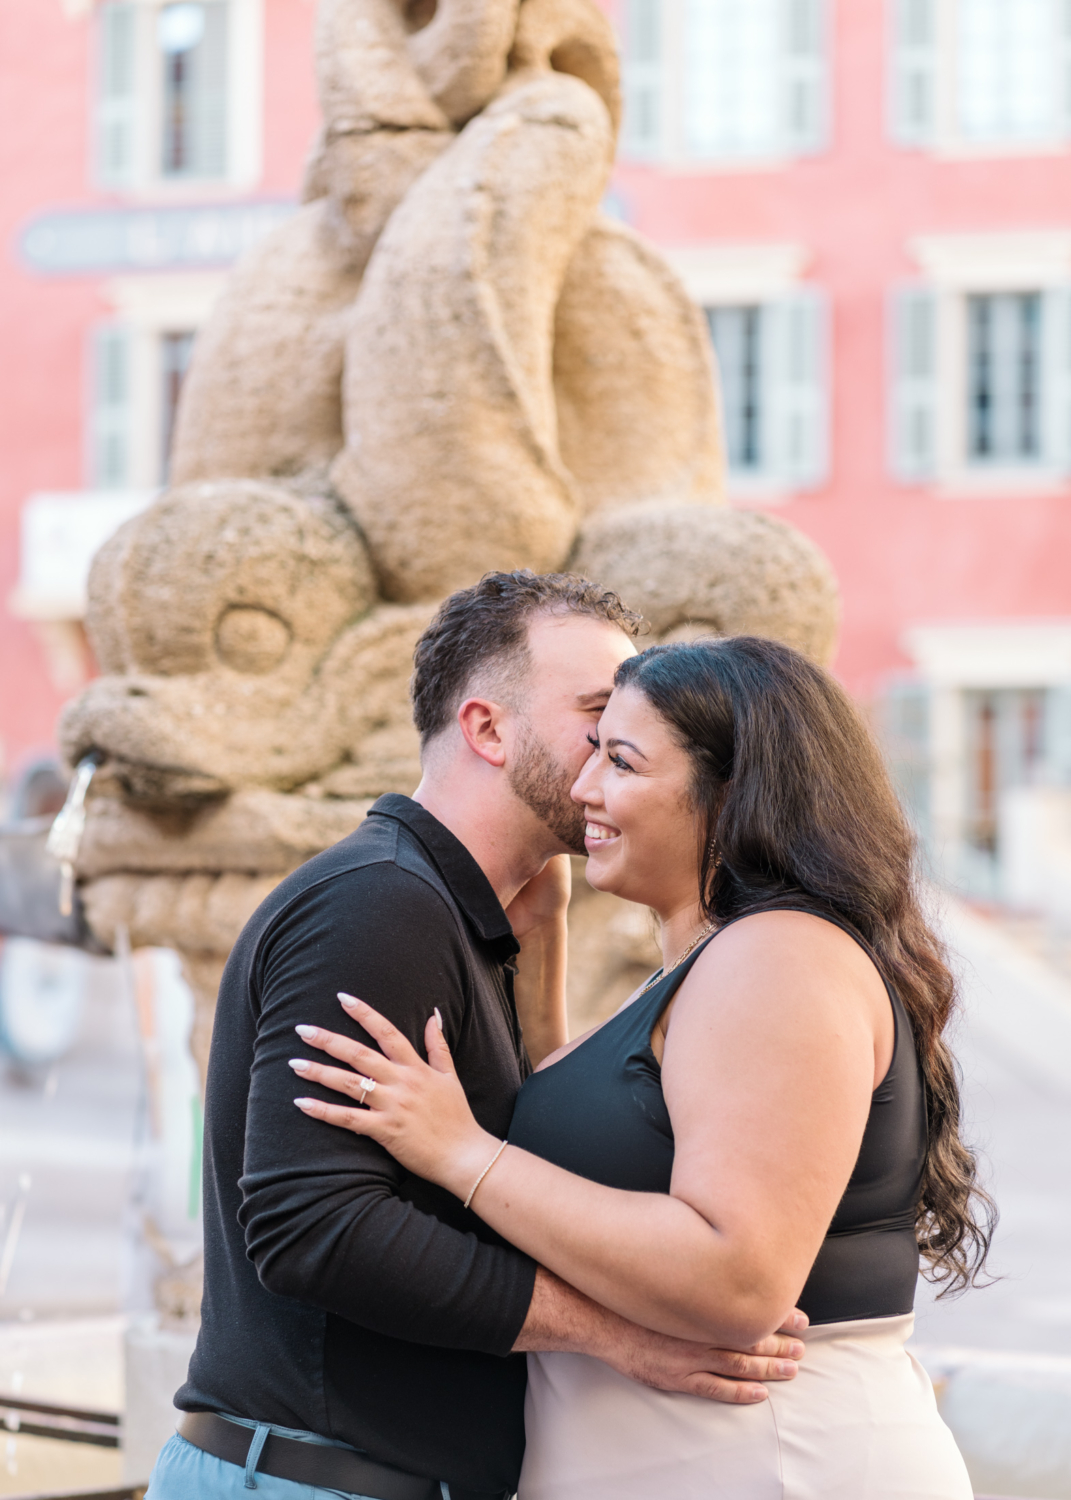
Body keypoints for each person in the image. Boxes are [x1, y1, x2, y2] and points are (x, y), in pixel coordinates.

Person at [145, 575, 808, 1500]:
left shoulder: (461, 914)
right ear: (487, 729)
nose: (624, 740)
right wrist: (615, 1335)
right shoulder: (379, 904)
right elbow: (313, 1226)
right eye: (594, 712)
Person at [294, 634, 995, 1500]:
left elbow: (734, 1275)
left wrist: (461, 1155)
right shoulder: (707, 969)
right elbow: (603, 1132)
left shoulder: (776, 957)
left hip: (775, 1463)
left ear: (733, 793)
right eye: (593, 754)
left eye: (620, 763)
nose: (584, 788)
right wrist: (542, 940)